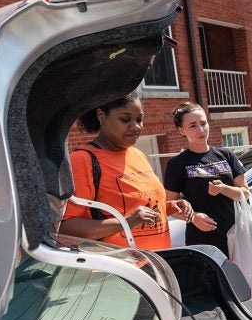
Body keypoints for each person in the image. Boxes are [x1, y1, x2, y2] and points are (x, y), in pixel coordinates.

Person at [60, 92, 193, 250]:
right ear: (101, 115)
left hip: (157, 263)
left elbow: (138, 207)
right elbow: (65, 229)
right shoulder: (82, 160)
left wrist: (169, 207)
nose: (136, 126)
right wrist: (126, 222)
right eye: (125, 119)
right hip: (119, 270)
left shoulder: (138, 155)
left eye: (139, 119)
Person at [163, 102, 249, 257]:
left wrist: (223, 189)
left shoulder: (227, 155)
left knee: (240, 280)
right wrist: (193, 217)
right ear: (181, 130)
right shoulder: (177, 164)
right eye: (193, 126)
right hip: (202, 240)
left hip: (235, 235)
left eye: (203, 123)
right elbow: (169, 206)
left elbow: (245, 193)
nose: (201, 130)